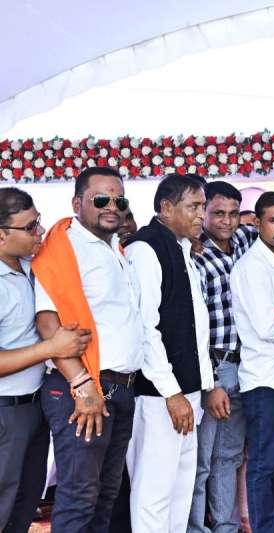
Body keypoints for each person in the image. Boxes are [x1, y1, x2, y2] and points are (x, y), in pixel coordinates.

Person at [33, 166, 145, 532]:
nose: (112, 207)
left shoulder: (116, 248)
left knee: (105, 496)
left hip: (121, 389)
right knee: (79, 497)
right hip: (83, 389)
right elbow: (48, 323)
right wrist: (83, 386)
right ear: (77, 203)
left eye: (119, 201)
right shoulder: (63, 249)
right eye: (101, 200)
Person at [125, 174, 214, 533]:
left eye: (203, 206)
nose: (201, 215)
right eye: (194, 206)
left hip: (185, 390)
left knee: (180, 489)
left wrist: (202, 386)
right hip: (160, 394)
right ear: (166, 207)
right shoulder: (145, 248)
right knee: (154, 492)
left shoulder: (181, 246)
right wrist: (172, 393)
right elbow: (146, 328)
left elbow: (192, 322)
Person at [0, 188, 90, 533]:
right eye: (29, 227)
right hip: (6, 411)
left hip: (36, 405)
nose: (39, 231)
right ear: (2, 235)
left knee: (25, 502)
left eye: (38, 221)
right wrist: (51, 348)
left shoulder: (33, 267)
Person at [230, 192, 274, 532]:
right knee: (263, 463)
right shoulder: (251, 267)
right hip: (263, 380)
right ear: (257, 223)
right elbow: (268, 326)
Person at [188, 181, 254, 533]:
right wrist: (210, 381)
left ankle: (226, 527)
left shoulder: (246, 240)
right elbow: (192, 324)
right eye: (217, 213)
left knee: (229, 456)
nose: (226, 221)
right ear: (203, 212)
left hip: (244, 366)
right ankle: (195, 528)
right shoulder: (193, 255)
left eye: (233, 213)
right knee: (200, 461)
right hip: (212, 365)